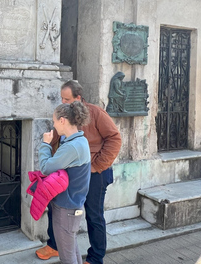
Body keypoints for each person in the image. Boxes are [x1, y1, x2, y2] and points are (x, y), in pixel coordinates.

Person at [36, 80, 122, 264]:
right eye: (61, 98)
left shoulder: (96, 113)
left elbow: (115, 139)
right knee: (56, 209)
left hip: (96, 173)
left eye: (67, 99)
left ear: (78, 98)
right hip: (71, 174)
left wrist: (96, 165)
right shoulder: (64, 115)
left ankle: (95, 258)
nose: (63, 102)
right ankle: (54, 245)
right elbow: (57, 139)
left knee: (94, 215)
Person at [39, 101, 91, 264]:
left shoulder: (72, 147)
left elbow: (45, 168)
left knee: (67, 256)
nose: (53, 126)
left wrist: (45, 144)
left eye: (54, 121)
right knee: (72, 250)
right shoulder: (78, 142)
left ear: (62, 120)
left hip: (66, 208)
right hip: (72, 206)